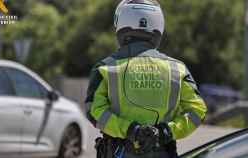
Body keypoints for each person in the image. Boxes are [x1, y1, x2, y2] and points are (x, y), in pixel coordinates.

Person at [85, 0, 207, 158]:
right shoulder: (178, 69)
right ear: (158, 28)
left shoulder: (105, 68)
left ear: (120, 25)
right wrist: (166, 131)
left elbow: (94, 112)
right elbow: (198, 112)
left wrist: (131, 130)